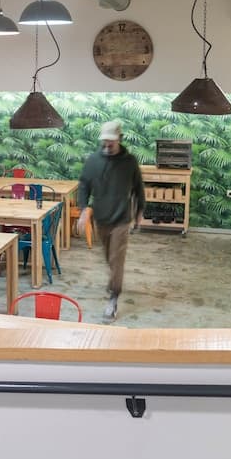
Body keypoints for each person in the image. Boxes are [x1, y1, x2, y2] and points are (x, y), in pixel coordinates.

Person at [76, 120, 144, 322]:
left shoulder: (129, 162)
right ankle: (114, 282)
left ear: (119, 139)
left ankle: (114, 297)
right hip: (101, 218)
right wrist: (83, 210)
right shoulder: (93, 161)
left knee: (116, 258)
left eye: (111, 142)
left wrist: (139, 210)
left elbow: (138, 188)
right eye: (104, 141)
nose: (107, 145)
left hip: (122, 218)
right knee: (108, 257)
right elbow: (84, 185)